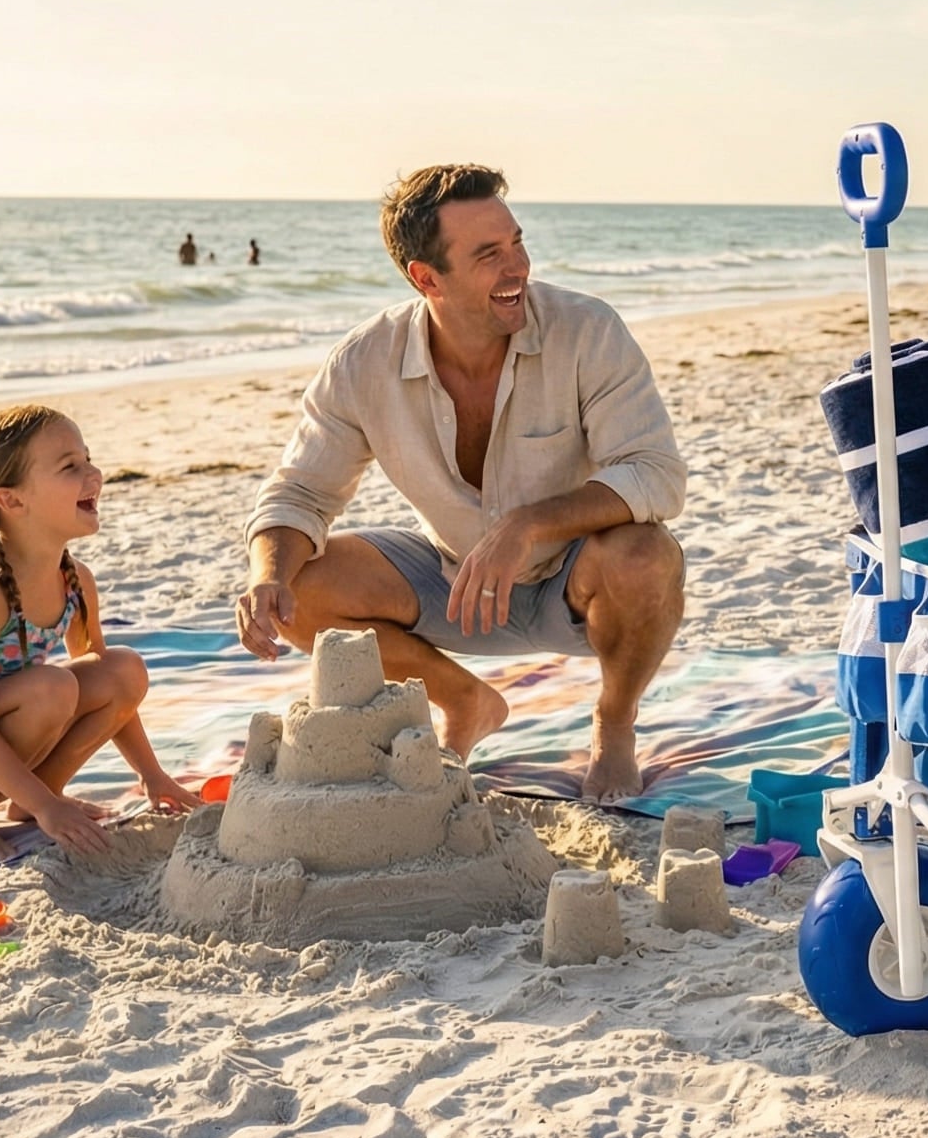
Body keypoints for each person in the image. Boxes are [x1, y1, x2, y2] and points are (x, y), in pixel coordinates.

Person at [235, 164, 687, 804]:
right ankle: (466, 701)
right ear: (426, 279)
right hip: (453, 581)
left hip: (577, 584)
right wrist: (267, 575)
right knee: (300, 586)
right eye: (488, 255)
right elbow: (300, 495)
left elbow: (656, 473)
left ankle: (613, 726)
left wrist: (527, 524)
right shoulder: (366, 360)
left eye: (517, 243)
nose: (518, 267)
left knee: (649, 554)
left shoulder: (587, 330)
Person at [0, 405, 188, 863]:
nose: (95, 474)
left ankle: (32, 797)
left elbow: (114, 695)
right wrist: (52, 812)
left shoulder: (76, 580)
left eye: (89, 459)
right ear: (12, 500)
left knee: (122, 670)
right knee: (51, 688)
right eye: (71, 467)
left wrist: (152, 775)